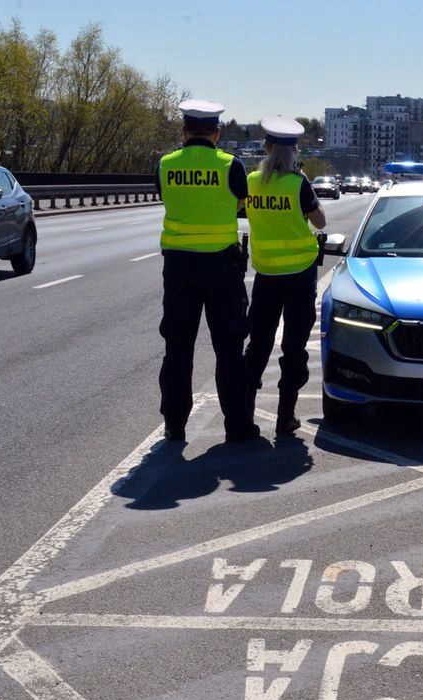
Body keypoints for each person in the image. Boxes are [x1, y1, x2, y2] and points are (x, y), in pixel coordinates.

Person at [156, 99, 259, 443]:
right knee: (229, 349)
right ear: (216, 133)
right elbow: (241, 206)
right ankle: (237, 425)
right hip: (221, 268)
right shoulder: (231, 165)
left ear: (184, 132)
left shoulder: (165, 164)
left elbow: (165, 197)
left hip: (179, 268)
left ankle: (174, 424)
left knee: (178, 349)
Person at [244, 117, 327, 434]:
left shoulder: (252, 181)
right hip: (299, 277)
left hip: (266, 274)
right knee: (294, 345)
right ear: (294, 152)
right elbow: (319, 222)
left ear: (266, 149)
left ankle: (245, 412)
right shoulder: (299, 183)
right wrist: (304, 182)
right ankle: (285, 416)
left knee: (259, 344)